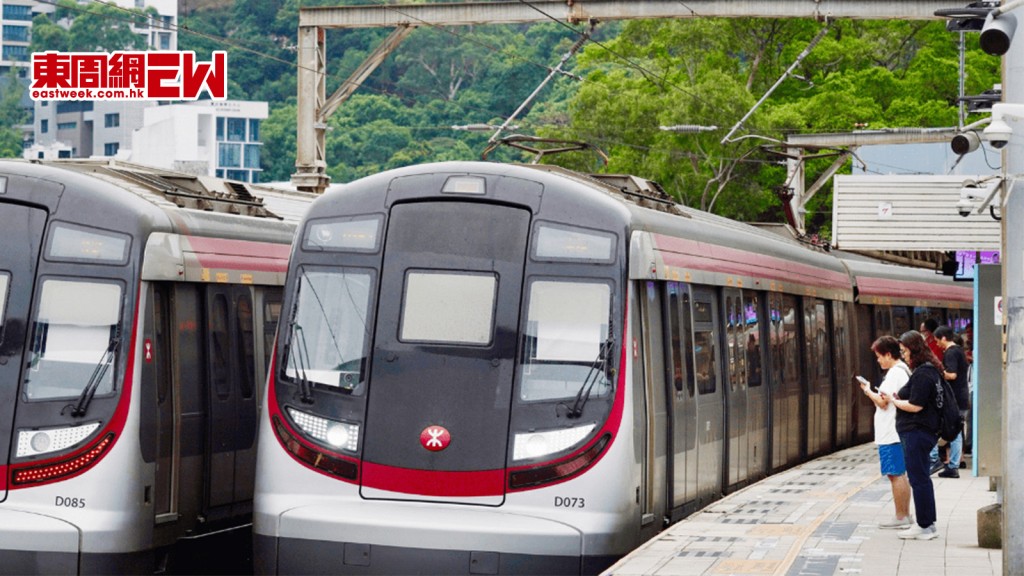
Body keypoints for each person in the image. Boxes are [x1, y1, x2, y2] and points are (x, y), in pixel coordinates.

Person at [880, 330, 942, 540]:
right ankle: (928, 524)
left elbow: (916, 405)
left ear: (914, 350)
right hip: (920, 433)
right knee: (921, 478)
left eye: (905, 351)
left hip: (918, 433)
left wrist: (895, 401)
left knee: (919, 479)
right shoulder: (926, 371)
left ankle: (924, 525)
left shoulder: (924, 373)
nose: (903, 355)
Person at [861, 336, 913, 529]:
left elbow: (883, 402)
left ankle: (901, 517)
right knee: (900, 474)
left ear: (888, 354)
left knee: (895, 474)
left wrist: (867, 391)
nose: (878, 360)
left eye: (879, 356)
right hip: (897, 431)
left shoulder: (894, 374)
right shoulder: (903, 370)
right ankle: (905, 515)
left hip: (891, 433)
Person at [932, 325, 970, 478]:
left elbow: (952, 374)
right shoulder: (959, 350)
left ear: (943, 338)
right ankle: (952, 464)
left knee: (949, 431)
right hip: (961, 397)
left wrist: (938, 372)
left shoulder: (950, 353)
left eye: (937, 340)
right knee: (956, 431)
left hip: (954, 398)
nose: (937, 344)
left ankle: (943, 462)